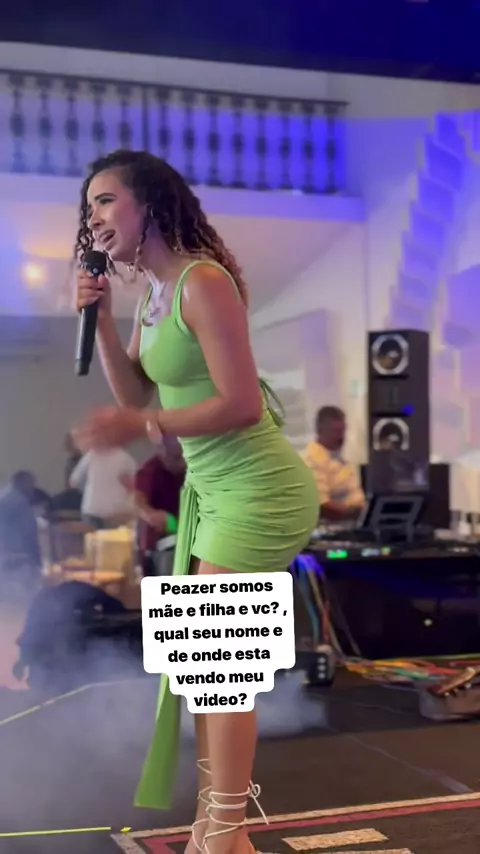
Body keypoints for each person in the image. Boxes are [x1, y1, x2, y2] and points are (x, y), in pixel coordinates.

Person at [72, 149, 318, 854]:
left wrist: (142, 426)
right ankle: (221, 828)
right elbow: (135, 395)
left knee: (217, 668)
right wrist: (105, 320)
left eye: (106, 201)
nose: (93, 218)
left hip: (260, 491)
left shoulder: (201, 281)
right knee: (204, 667)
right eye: (88, 208)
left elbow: (241, 405)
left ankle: (226, 830)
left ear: (150, 203)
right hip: (214, 494)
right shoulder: (154, 295)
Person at [125, 438, 185, 576]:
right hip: (160, 541)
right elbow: (138, 500)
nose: (180, 463)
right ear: (160, 451)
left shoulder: (194, 469)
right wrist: (150, 515)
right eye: (174, 457)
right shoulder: (150, 470)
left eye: (180, 457)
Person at [301, 406, 366, 522]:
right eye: (336, 431)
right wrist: (353, 513)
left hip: (351, 523)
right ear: (320, 430)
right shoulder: (309, 461)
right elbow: (322, 506)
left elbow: (357, 497)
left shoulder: (343, 461)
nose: (341, 437)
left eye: (342, 431)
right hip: (322, 527)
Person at [69, 447, 137, 528]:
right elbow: (135, 487)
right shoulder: (127, 459)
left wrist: (87, 490)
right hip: (117, 511)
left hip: (92, 509)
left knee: (91, 535)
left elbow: (74, 481)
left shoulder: (91, 456)